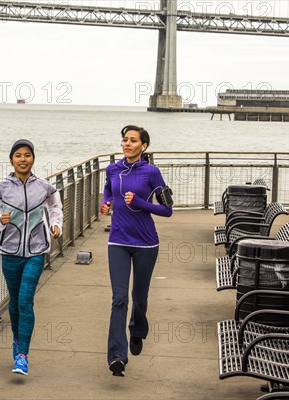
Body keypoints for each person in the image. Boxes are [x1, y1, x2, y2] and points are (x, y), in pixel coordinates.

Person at [0, 139, 63, 376]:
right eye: (18, 155)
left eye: (27, 155)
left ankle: (23, 356)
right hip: (10, 251)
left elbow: (55, 208)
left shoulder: (45, 187)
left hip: (37, 251)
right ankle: (17, 340)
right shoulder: (0, 187)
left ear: (33, 159)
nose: (23, 159)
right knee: (15, 303)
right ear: (11, 160)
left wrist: (56, 226)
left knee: (26, 300)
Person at [100, 125, 173, 377]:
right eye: (124, 140)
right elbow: (108, 189)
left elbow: (167, 210)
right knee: (119, 298)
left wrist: (141, 203)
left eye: (133, 140)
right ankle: (117, 356)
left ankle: (138, 330)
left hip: (146, 243)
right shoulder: (112, 169)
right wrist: (105, 202)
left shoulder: (151, 172)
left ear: (144, 146)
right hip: (118, 241)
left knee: (139, 298)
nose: (127, 144)